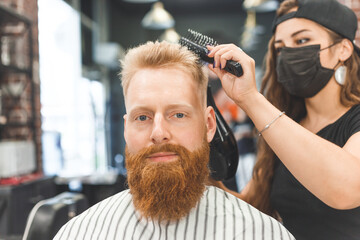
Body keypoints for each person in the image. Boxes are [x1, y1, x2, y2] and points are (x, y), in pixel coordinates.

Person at [53, 41, 294, 239]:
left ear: (209, 125)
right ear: (126, 129)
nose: (158, 132)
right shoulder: (79, 234)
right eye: (143, 117)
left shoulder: (260, 233)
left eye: (178, 115)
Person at [207, 0, 360, 239]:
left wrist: (250, 98)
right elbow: (250, 205)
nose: (288, 53)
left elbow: (347, 187)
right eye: (280, 48)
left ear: (343, 49)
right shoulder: (287, 126)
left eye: (301, 41)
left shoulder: (354, 121)